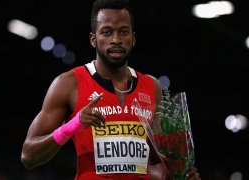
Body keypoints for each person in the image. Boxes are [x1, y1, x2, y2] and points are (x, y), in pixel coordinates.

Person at [21, 0, 201, 179]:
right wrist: (71, 126)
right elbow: (28, 156)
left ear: (133, 38)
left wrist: (178, 174)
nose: (116, 40)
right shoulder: (69, 84)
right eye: (107, 32)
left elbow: (154, 165)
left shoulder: (151, 87)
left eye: (123, 32)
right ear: (93, 39)